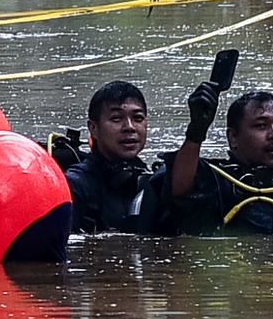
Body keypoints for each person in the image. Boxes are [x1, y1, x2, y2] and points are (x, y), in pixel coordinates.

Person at [55, 75, 225, 235]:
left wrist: (197, 130)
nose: (129, 127)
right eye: (116, 119)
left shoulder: (152, 181)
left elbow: (182, 196)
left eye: (137, 118)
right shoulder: (76, 185)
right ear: (94, 128)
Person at [171, 90, 273, 239]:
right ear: (233, 137)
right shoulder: (215, 180)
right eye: (261, 126)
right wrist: (196, 132)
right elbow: (179, 188)